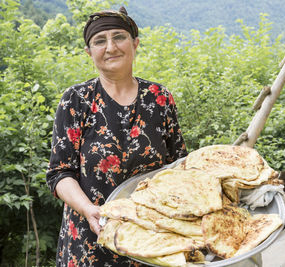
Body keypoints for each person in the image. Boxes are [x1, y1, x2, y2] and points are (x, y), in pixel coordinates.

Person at [46, 6, 187, 267]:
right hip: (90, 240)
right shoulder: (76, 100)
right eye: (100, 41)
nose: (111, 47)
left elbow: (178, 164)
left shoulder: (159, 97)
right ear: (89, 52)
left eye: (119, 37)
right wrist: (90, 210)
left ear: (135, 44)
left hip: (151, 240)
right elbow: (59, 173)